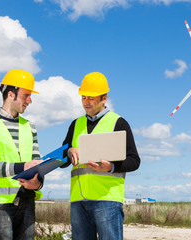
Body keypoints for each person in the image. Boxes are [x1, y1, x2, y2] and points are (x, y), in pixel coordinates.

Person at [61, 72, 140, 240]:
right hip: (78, 201)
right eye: (83, 98)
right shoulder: (76, 124)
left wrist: (111, 167)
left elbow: (134, 160)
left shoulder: (119, 123)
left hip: (107, 200)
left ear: (104, 98)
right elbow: (61, 161)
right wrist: (69, 151)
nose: (86, 102)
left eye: (91, 98)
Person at [0, 69, 44, 240]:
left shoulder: (30, 127)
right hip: (0, 203)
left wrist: (38, 182)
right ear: (11, 94)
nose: (30, 100)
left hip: (27, 199)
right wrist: (22, 167)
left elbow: (36, 163)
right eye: (26, 95)